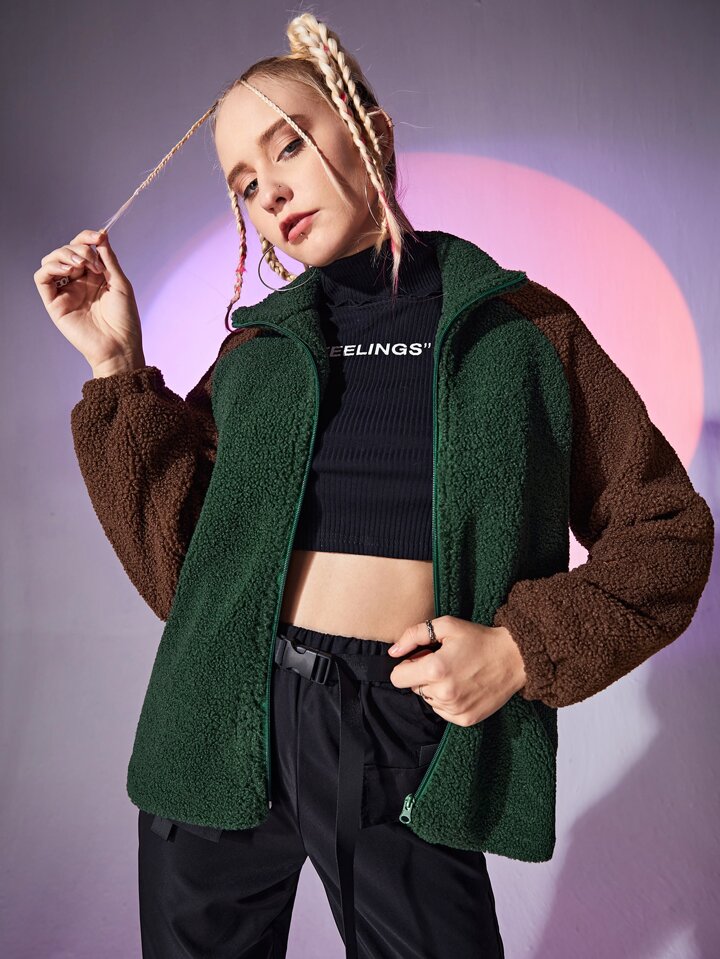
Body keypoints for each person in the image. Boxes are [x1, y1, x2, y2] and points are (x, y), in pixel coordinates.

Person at [33, 12, 714, 959]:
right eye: (244, 184)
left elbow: (668, 530)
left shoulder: (520, 331)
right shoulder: (259, 350)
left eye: (289, 147)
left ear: (371, 134)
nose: (270, 191)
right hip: (220, 716)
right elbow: (183, 575)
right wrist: (116, 365)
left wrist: (523, 647)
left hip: (398, 725)